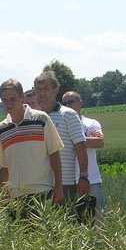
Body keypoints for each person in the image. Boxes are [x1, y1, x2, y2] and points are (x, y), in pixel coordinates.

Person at [0, 79, 64, 219]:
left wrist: (59, 187)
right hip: (15, 196)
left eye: (13, 99)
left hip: (42, 192)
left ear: (21, 97)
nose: (9, 103)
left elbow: (54, 153)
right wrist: (4, 196)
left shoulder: (41, 119)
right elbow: (3, 166)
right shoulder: (2, 128)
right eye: (5, 100)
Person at [34, 71, 89, 202]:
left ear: (55, 90)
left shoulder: (68, 114)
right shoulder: (33, 118)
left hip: (65, 183)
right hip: (40, 185)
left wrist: (83, 177)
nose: (42, 93)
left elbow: (81, 147)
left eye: (46, 89)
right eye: (38, 89)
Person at [62, 91, 105, 215]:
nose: (67, 105)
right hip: (67, 181)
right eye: (64, 103)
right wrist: (84, 139)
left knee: (96, 219)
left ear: (81, 103)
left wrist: (72, 139)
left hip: (91, 179)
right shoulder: (59, 124)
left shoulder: (91, 123)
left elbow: (99, 142)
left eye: (71, 102)